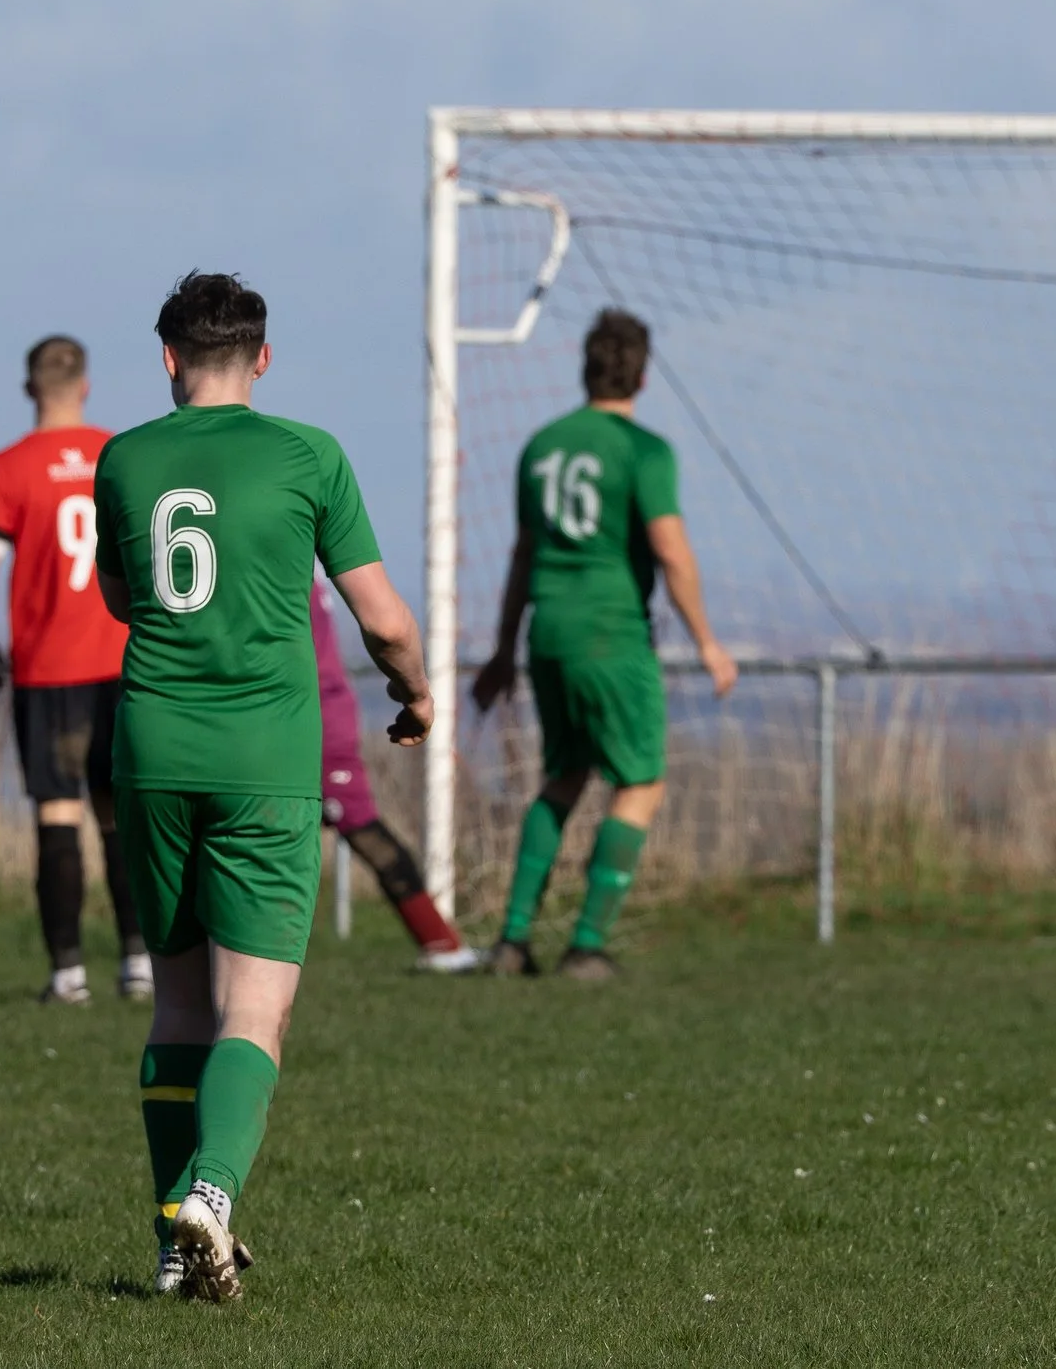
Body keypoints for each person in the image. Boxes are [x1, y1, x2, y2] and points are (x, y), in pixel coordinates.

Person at [93, 271, 429, 1303]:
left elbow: (119, 593)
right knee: (258, 1008)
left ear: (167, 359)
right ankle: (213, 1192)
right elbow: (381, 617)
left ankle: (168, 1245)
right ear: (264, 358)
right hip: (263, 762)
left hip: (150, 751)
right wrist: (412, 692)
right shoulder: (307, 454)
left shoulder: (124, 457)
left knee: (179, 1002)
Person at [470, 310, 738, 980]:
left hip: (548, 635)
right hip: (612, 635)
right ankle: (587, 943)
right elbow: (670, 550)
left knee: (562, 777)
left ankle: (512, 940)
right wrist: (708, 640)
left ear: (585, 368)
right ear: (644, 375)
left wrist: (505, 650)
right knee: (640, 782)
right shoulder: (644, 451)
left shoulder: (541, 446)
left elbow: (522, 555)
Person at [0, 336, 150, 1005]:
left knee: (57, 814)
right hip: (126, 664)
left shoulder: (5, 469)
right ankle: (139, 963)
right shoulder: (122, 455)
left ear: (28, 389)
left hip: (48, 673)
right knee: (121, 814)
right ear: (87, 386)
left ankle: (68, 973)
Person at [310, 579, 475, 971]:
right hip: (302, 718)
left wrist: (414, 691)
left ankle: (440, 943)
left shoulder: (283, 566)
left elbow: (388, 627)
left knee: (365, 831)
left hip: (316, 723)